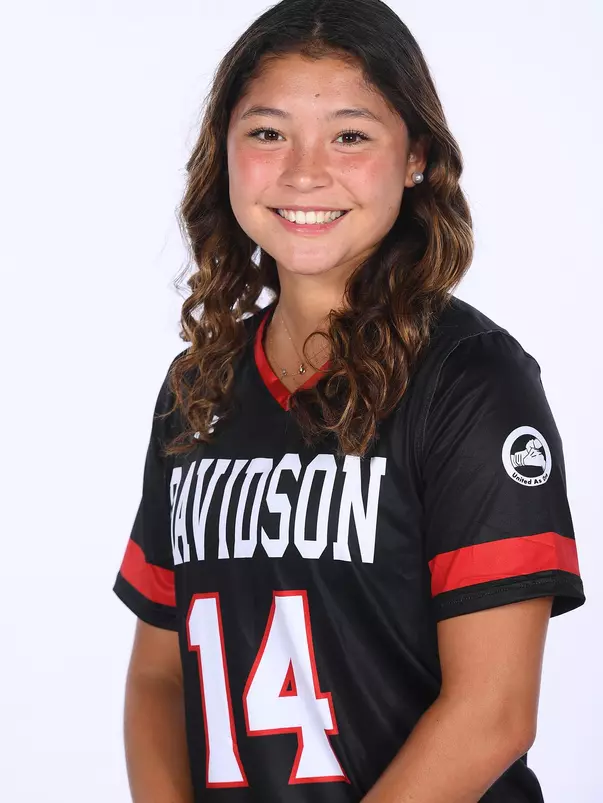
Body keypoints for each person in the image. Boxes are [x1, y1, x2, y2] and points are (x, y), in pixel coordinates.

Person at [112, 1, 586, 801]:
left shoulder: (472, 382)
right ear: (222, 150)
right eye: (267, 132)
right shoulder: (195, 387)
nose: (303, 170)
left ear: (416, 158)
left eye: (350, 135)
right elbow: (157, 678)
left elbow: (493, 712)